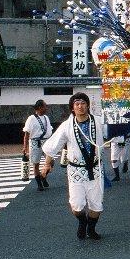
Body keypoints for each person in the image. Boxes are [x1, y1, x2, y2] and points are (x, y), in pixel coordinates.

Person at [42, 93, 106, 240]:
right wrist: (47, 164)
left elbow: (115, 128)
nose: (80, 106)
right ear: (72, 108)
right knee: (76, 205)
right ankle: (82, 221)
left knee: (96, 205)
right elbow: (53, 145)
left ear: (88, 105)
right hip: (76, 170)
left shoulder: (98, 121)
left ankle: (91, 228)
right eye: (76, 104)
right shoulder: (66, 126)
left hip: (95, 169)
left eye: (83, 103)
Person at [22, 100, 53, 191]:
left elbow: (49, 130)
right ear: (40, 107)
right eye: (45, 106)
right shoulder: (31, 118)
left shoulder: (46, 117)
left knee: (51, 162)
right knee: (36, 164)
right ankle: (39, 183)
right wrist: (25, 147)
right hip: (35, 143)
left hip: (46, 142)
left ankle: (43, 176)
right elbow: (26, 134)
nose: (46, 108)